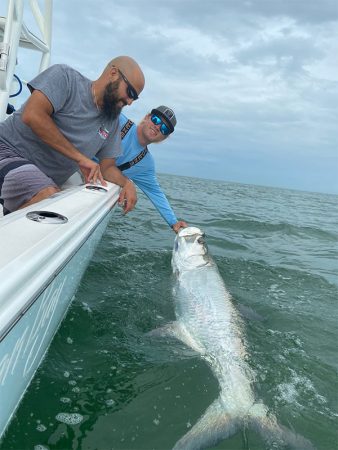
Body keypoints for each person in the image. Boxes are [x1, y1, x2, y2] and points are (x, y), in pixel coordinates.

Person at [0, 55, 145, 215]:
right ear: (113, 73)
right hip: (8, 150)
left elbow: (107, 167)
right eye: (130, 92)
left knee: (54, 206)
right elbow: (32, 115)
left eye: (135, 98)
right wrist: (80, 158)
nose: (130, 102)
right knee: (47, 201)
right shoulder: (66, 77)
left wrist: (127, 183)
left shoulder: (112, 121)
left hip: (40, 177)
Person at [115, 105, 187, 233]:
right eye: (156, 120)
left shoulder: (145, 163)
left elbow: (156, 193)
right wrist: (127, 183)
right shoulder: (117, 120)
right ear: (147, 117)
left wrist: (174, 222)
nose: (158, 127)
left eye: (164, 129)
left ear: (164, 138)